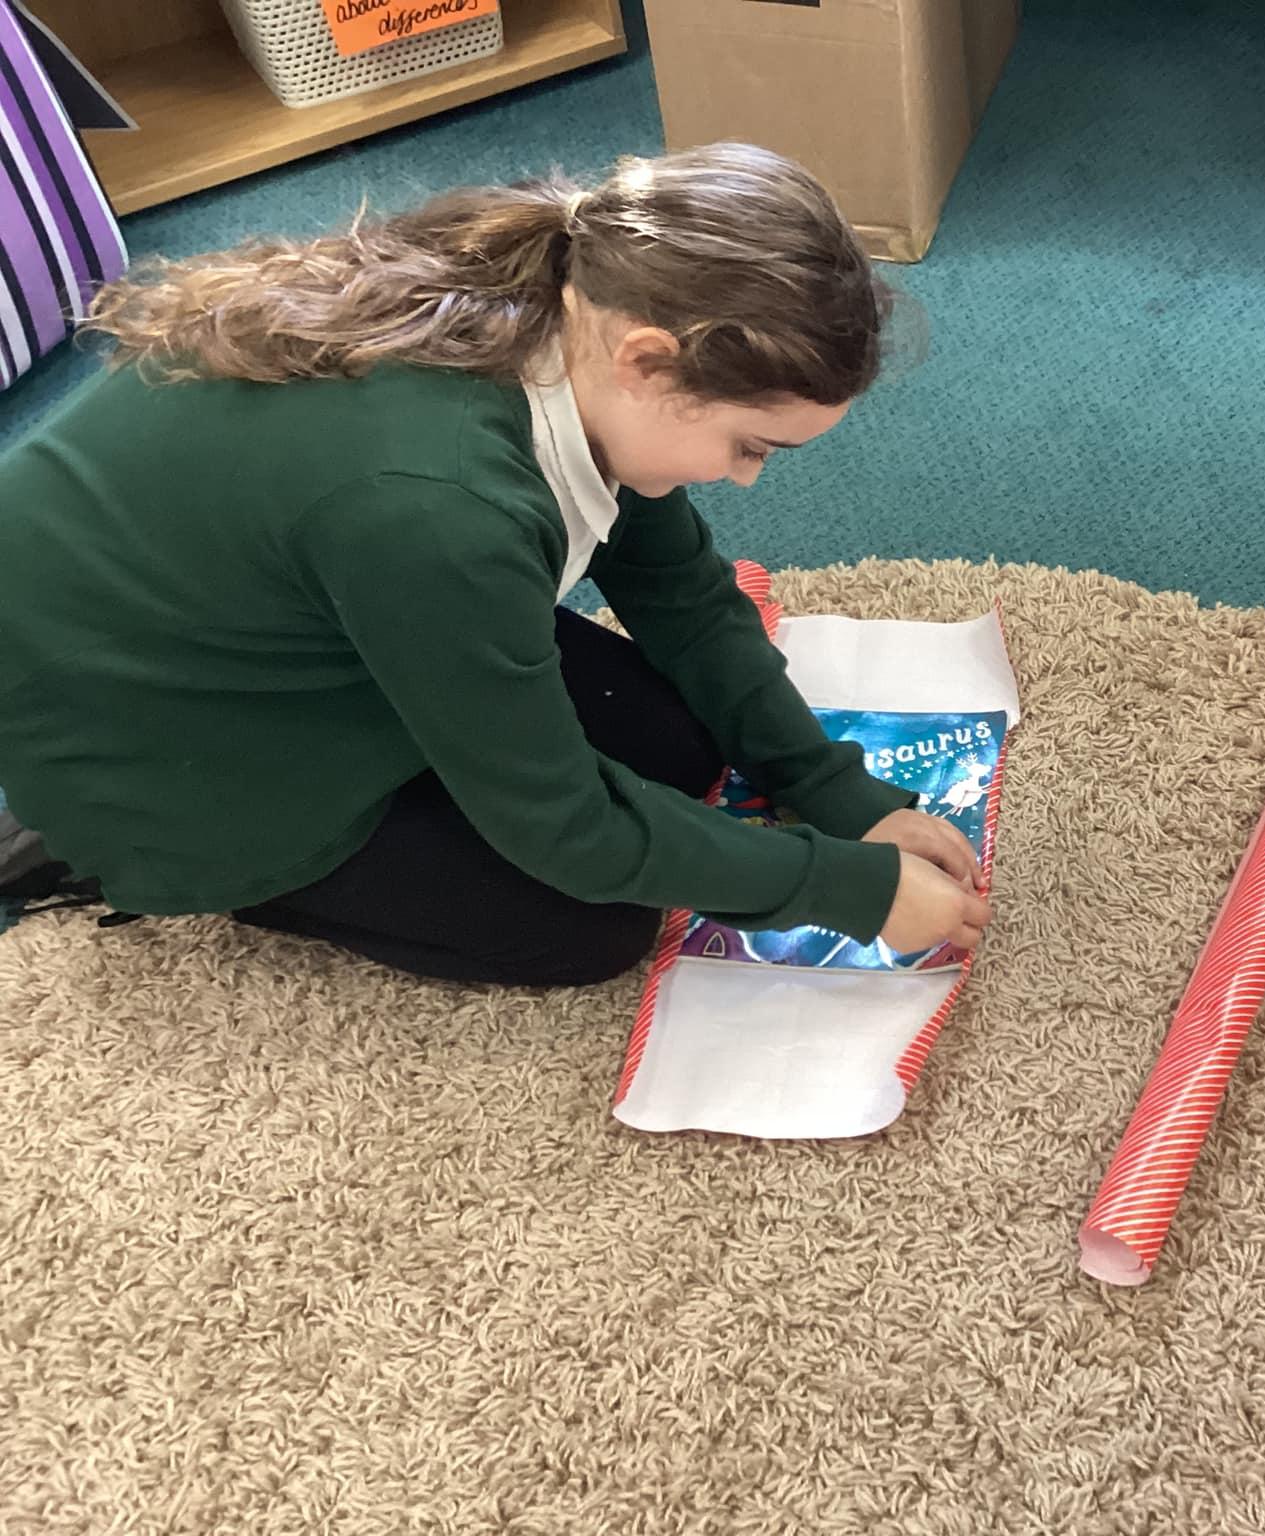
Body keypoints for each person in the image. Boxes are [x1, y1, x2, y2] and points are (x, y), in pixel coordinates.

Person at [0, 143, 992, 986]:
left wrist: (828, 787)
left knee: (683, 746)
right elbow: (566, 829)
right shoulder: (445, 513)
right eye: (750, 446)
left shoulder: (579, 312)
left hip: (278, 604)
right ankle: (118, 855)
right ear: (649, 361)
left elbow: (685, 600)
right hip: (147, 723)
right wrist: (845, 889)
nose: (745, 478)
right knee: (584, 928)